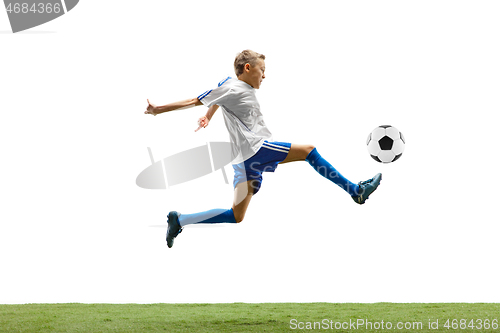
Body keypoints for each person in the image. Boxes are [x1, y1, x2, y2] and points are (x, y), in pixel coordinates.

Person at [145, 50, 381, 248]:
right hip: (255, 150)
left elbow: (216, 96)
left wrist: (208, 116)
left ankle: (180, 220)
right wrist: (158, 110)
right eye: (262, 70)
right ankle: (355, 191)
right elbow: (195, 100)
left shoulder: (228, 84)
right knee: (309, 151)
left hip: (242, 161)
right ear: (247, 68)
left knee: (236, 216)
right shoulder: (235, 88)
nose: (265, 76)